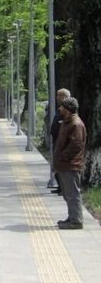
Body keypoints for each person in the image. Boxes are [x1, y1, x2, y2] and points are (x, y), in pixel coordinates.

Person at [54, 96, 86, 229]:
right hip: (64, 164)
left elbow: (76, 145)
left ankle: (76, 221)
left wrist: (63, 157)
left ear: (68, 109)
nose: (59, 108)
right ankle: (72, 217)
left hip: (70, 165)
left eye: (62, 106)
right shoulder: (67, 122)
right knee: (68, 194)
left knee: (73, 194)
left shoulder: (76, 124)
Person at [49, 88, 71, 195]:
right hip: (57, 141)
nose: (58, 98)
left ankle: (64, 188)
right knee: (56, 165)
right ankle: (60, 187)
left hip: (61, 142)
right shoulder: (60, 109)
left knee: (60, 165)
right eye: (57, 95)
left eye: (60, 96)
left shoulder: (67, 110)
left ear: (65, 97)